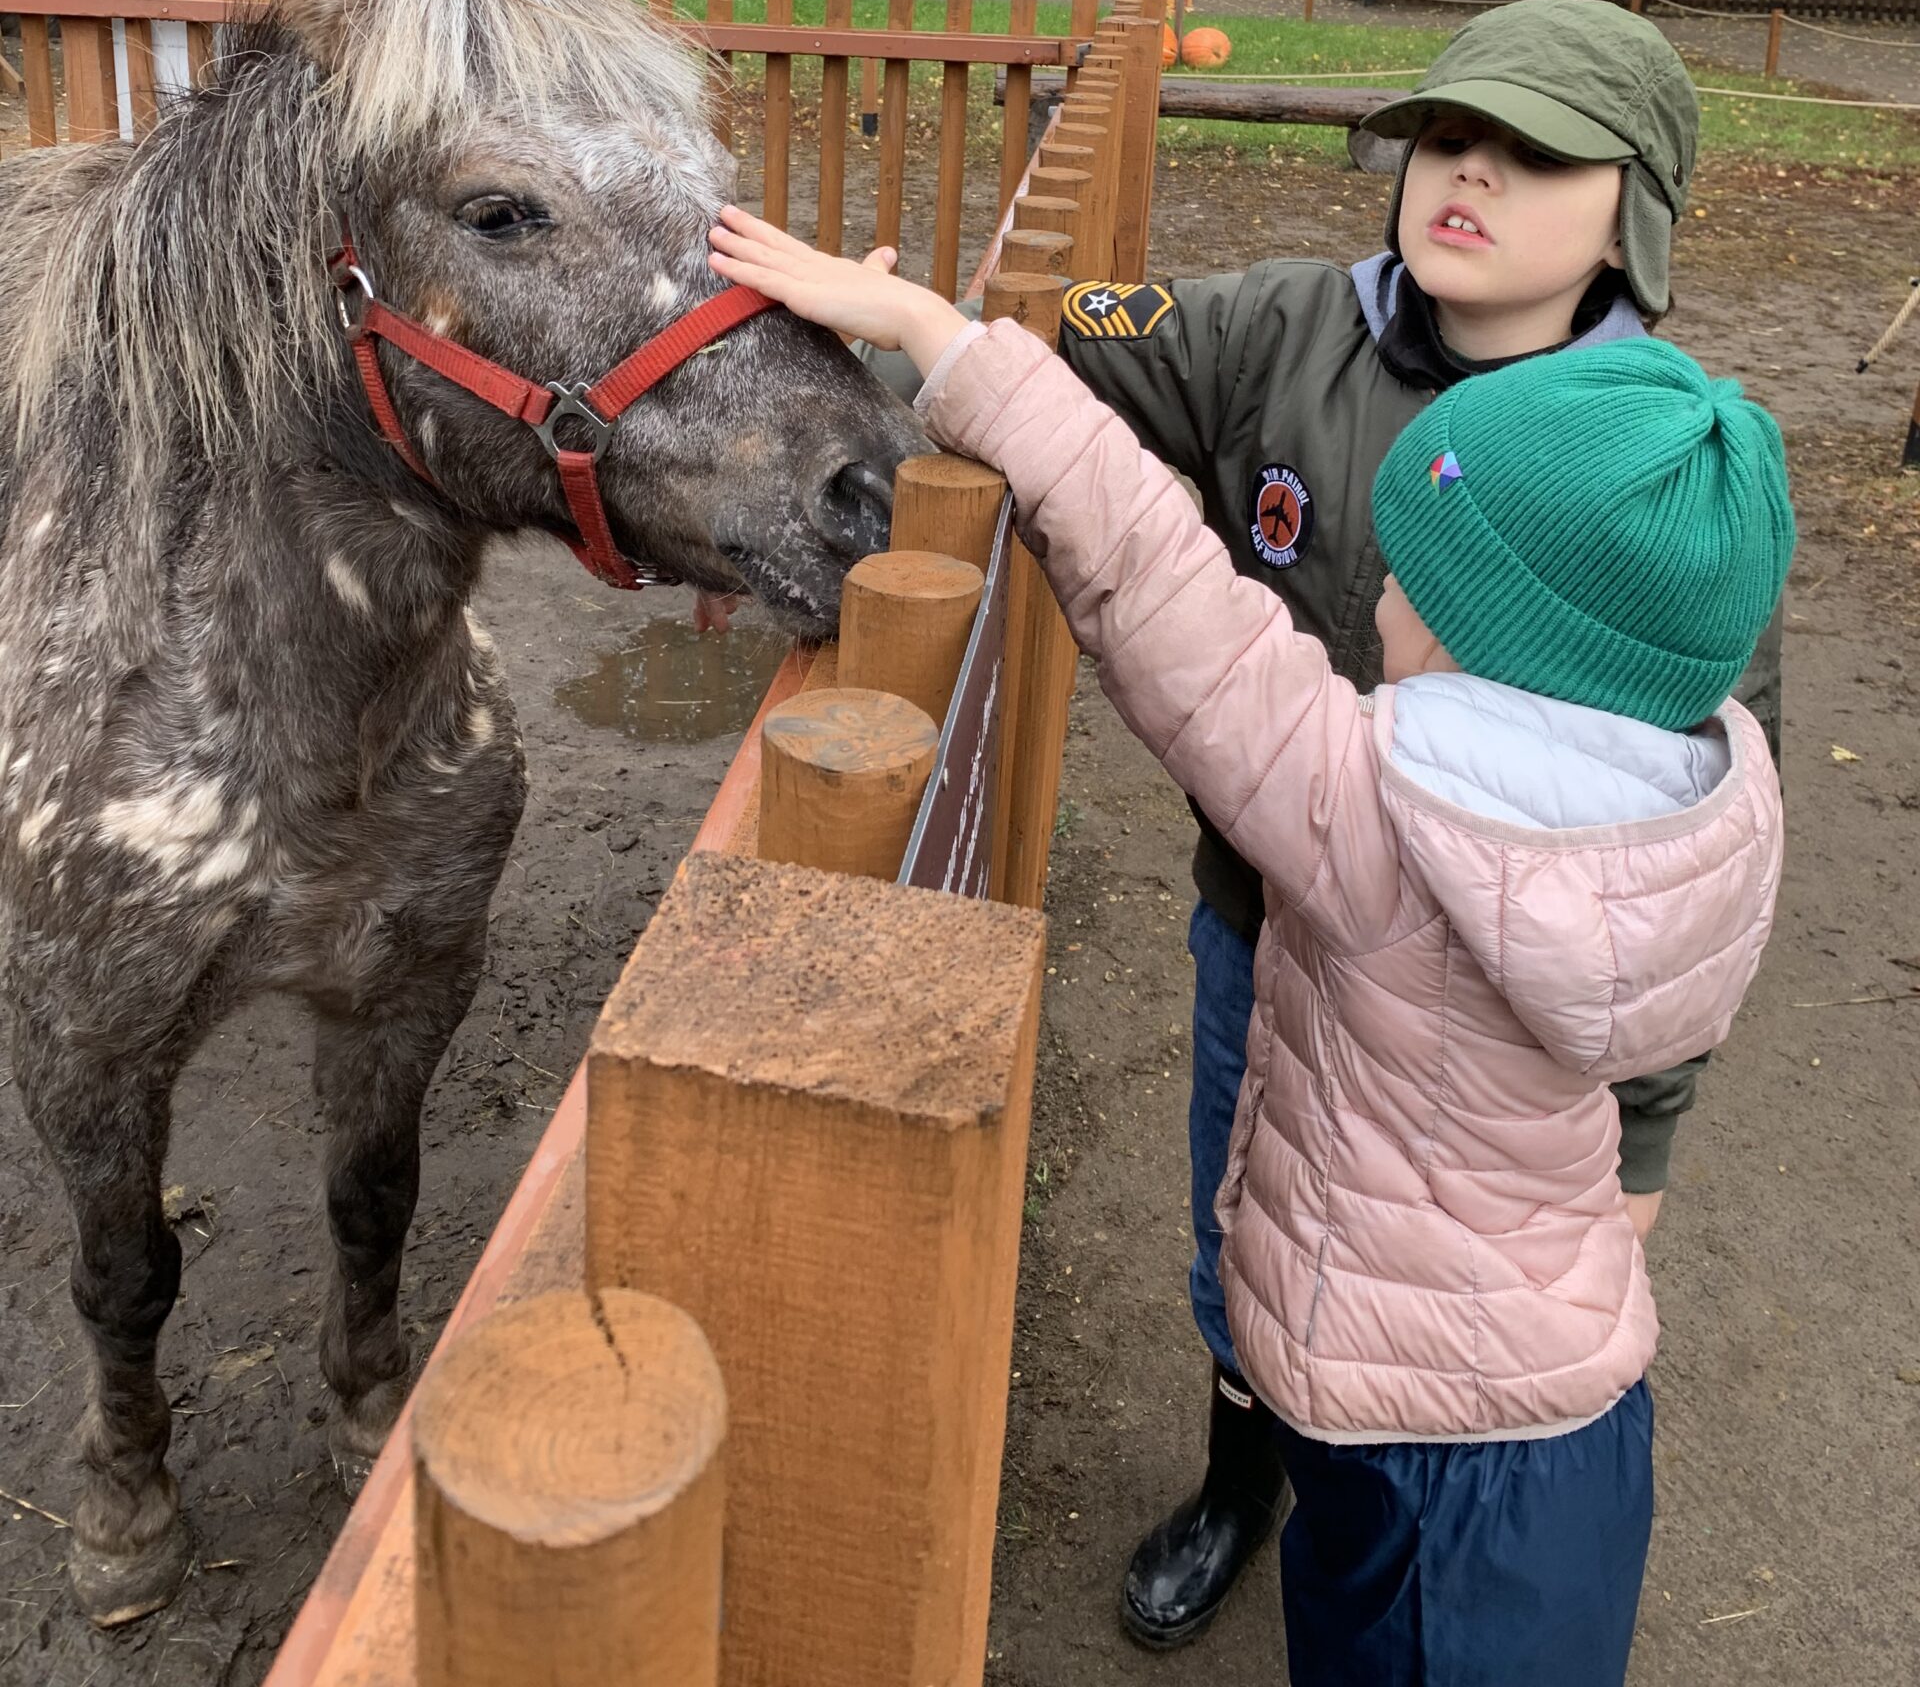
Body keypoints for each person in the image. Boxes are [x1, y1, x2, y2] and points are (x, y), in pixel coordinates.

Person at [707, 205, 1793, 1687]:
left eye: (1411, 584)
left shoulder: (1378, 822)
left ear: (1497, 645)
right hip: (1560, 1409)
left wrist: (938, 343)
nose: (1381, 600)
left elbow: (1158, 578)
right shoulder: (1705, 805)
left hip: (1411, 1448)